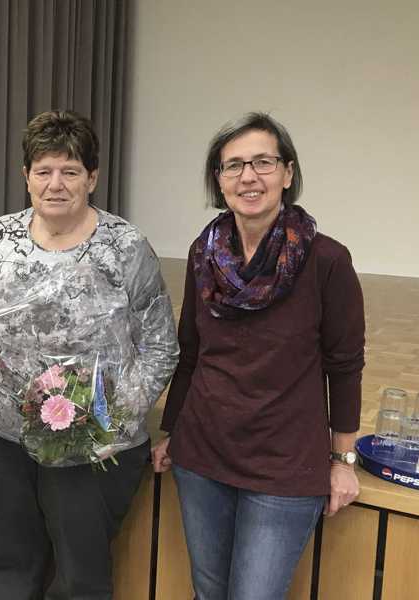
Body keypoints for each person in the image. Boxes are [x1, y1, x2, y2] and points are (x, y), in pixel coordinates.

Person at [152, 112, 365, 600]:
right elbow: (193, 352)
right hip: (202, 455)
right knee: (208, 591)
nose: (249, 176)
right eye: (234, 166)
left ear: (288, 173)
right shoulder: (204, 252)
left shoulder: (327, 260)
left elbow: (345, 365)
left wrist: (343, 458)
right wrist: (172, 431)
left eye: (263, 162)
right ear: (219, 180)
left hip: (283, 466)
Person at [0, 110, 179, 598]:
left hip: (91, 447)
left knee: (80, 578)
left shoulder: (125, 247)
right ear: (25, 178)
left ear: (92, 178)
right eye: (43, 171)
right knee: (9, 564)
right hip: (5, 438)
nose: (56, 184)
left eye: (70, 171)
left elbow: (160, 348)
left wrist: (101, 420)